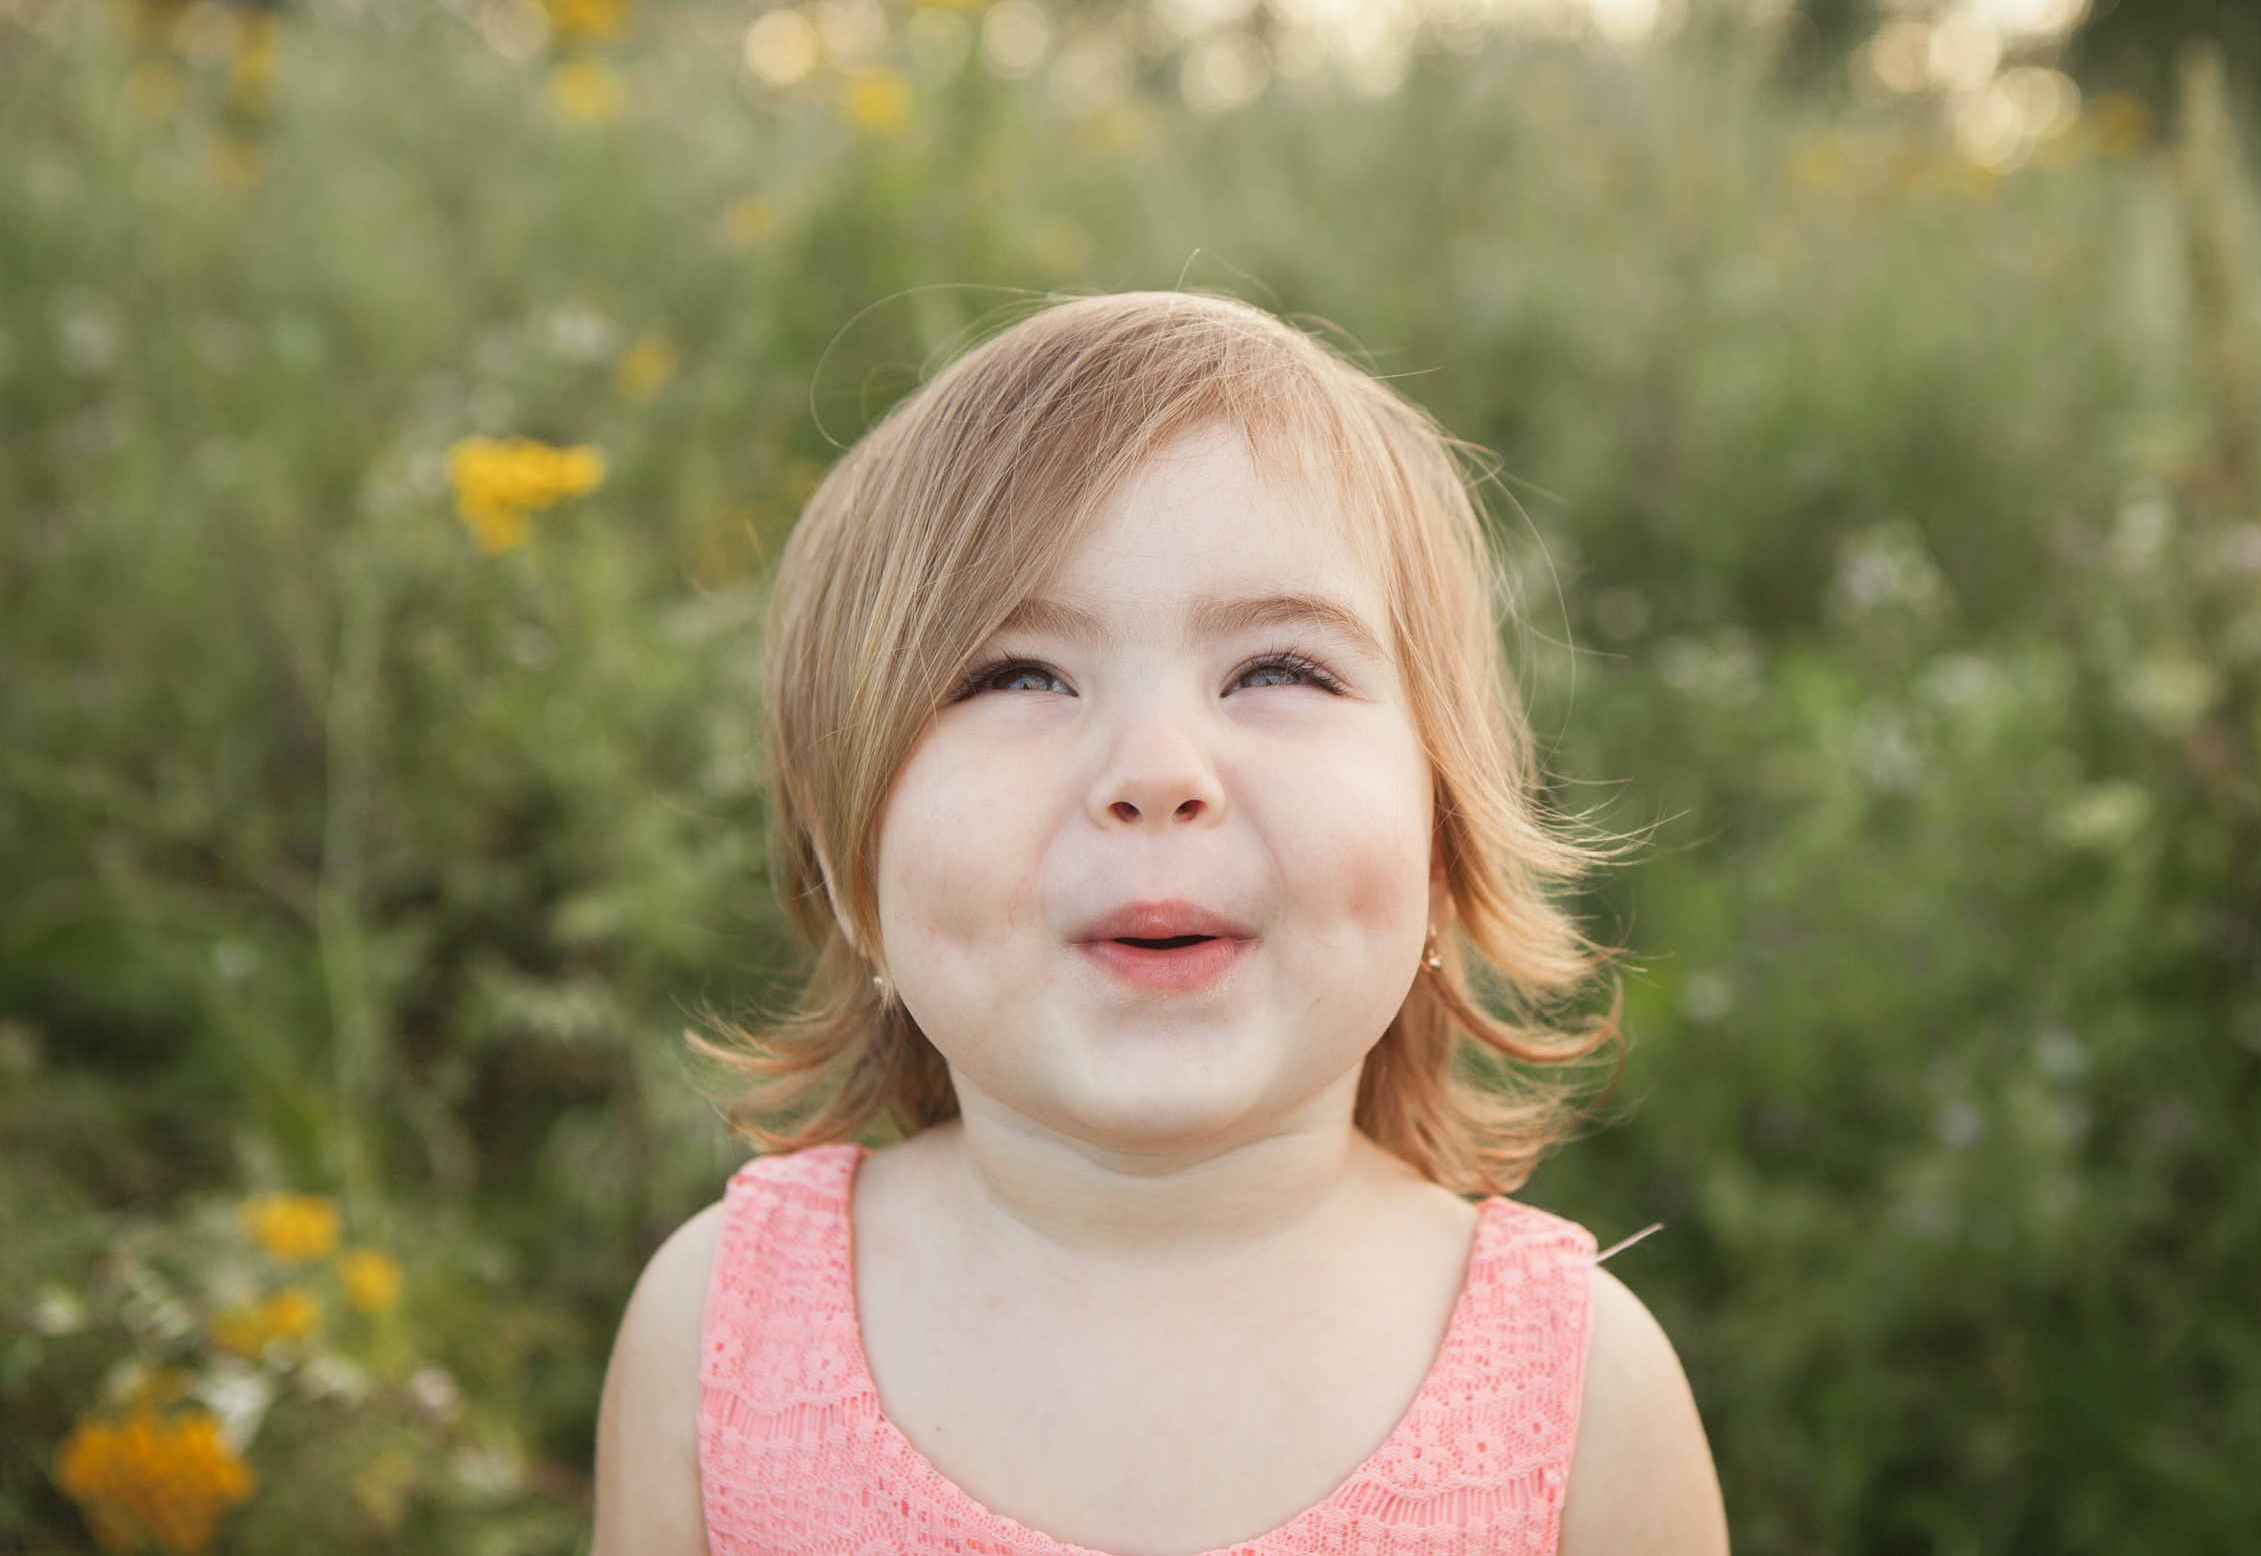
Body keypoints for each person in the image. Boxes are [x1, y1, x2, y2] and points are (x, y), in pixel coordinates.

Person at [592, 292, 1727, 1556]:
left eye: (1279, 670)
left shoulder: (1581, 1398)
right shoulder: (722, 1330)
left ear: (1443, 836)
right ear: (849, 862)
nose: (1155, 768)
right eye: (1015, 675)